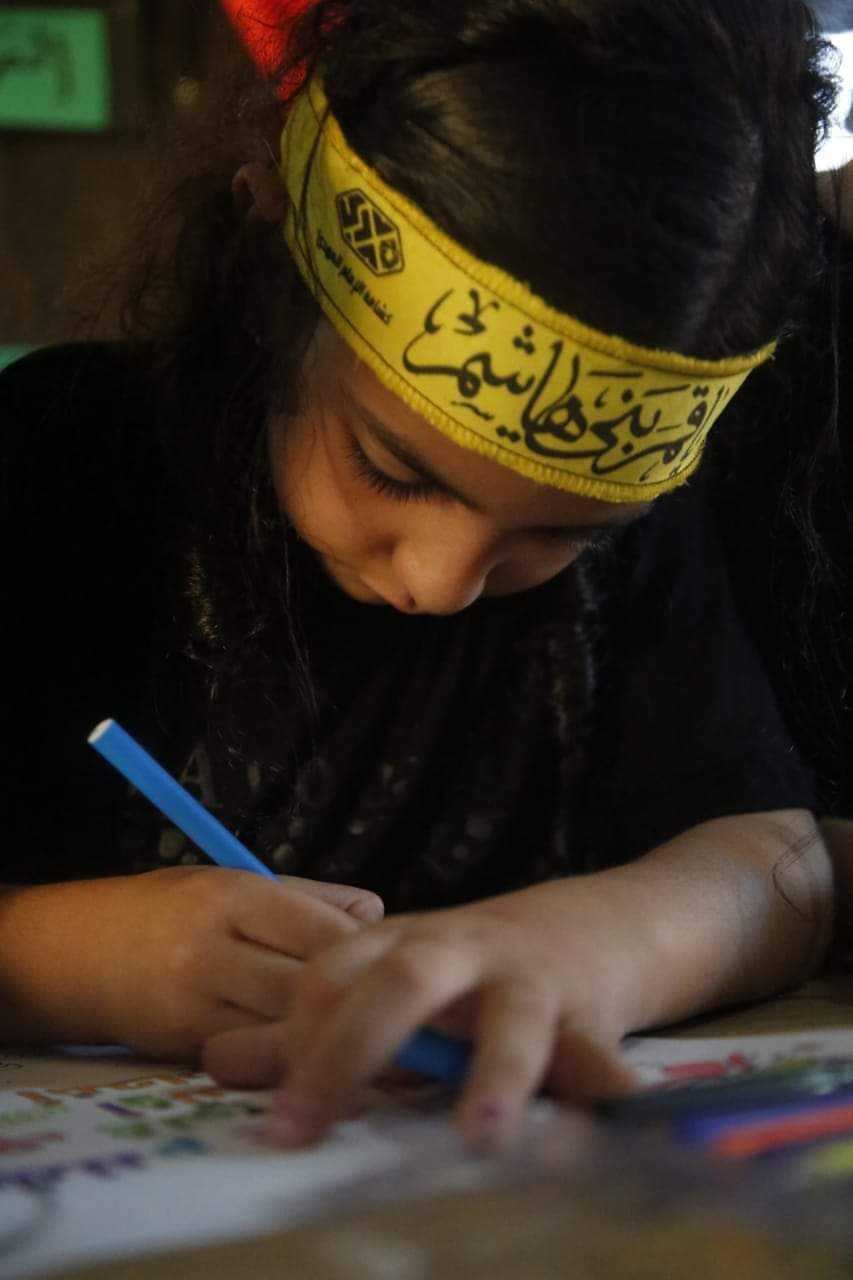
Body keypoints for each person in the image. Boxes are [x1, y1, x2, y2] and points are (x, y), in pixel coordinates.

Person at [0, 0, 841, 1151]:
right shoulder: (58, 461)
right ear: (275, 279)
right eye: (393, 468)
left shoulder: (647, 542)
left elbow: (776, 861)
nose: (443, 582)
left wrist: (592, 944)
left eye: (565, 533)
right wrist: (57, 959)